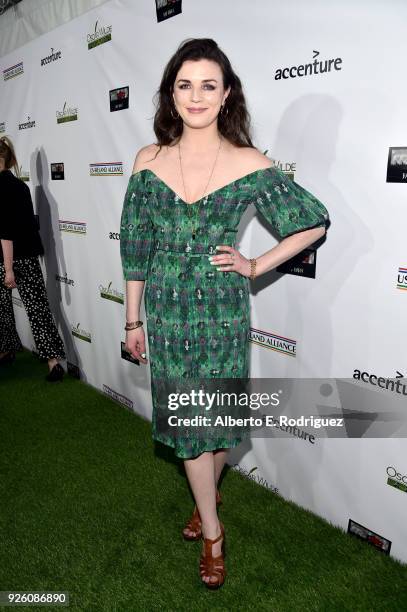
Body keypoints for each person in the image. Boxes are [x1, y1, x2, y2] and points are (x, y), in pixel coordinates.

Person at [120, 38, 330, 589]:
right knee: (192, 425)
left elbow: (313, 221)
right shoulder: (149, 161)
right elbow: (136, 248)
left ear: (226, 93)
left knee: (214, 426)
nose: (196, 96)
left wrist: (256, 263)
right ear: (171, 92)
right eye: (184, 85)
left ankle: (203, 501)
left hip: (221, 310)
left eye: (208, 85)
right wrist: (131, 319)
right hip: (166, 309)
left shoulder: (248, 162)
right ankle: (213, 532)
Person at [0, 136, 66, 381]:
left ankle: (7, 349)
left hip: (6, 260)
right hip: (28, 257)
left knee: (2, 309)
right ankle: (53, 362)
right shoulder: (22, 186)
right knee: (38, 309)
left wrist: (8, 269)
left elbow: (4, 232)